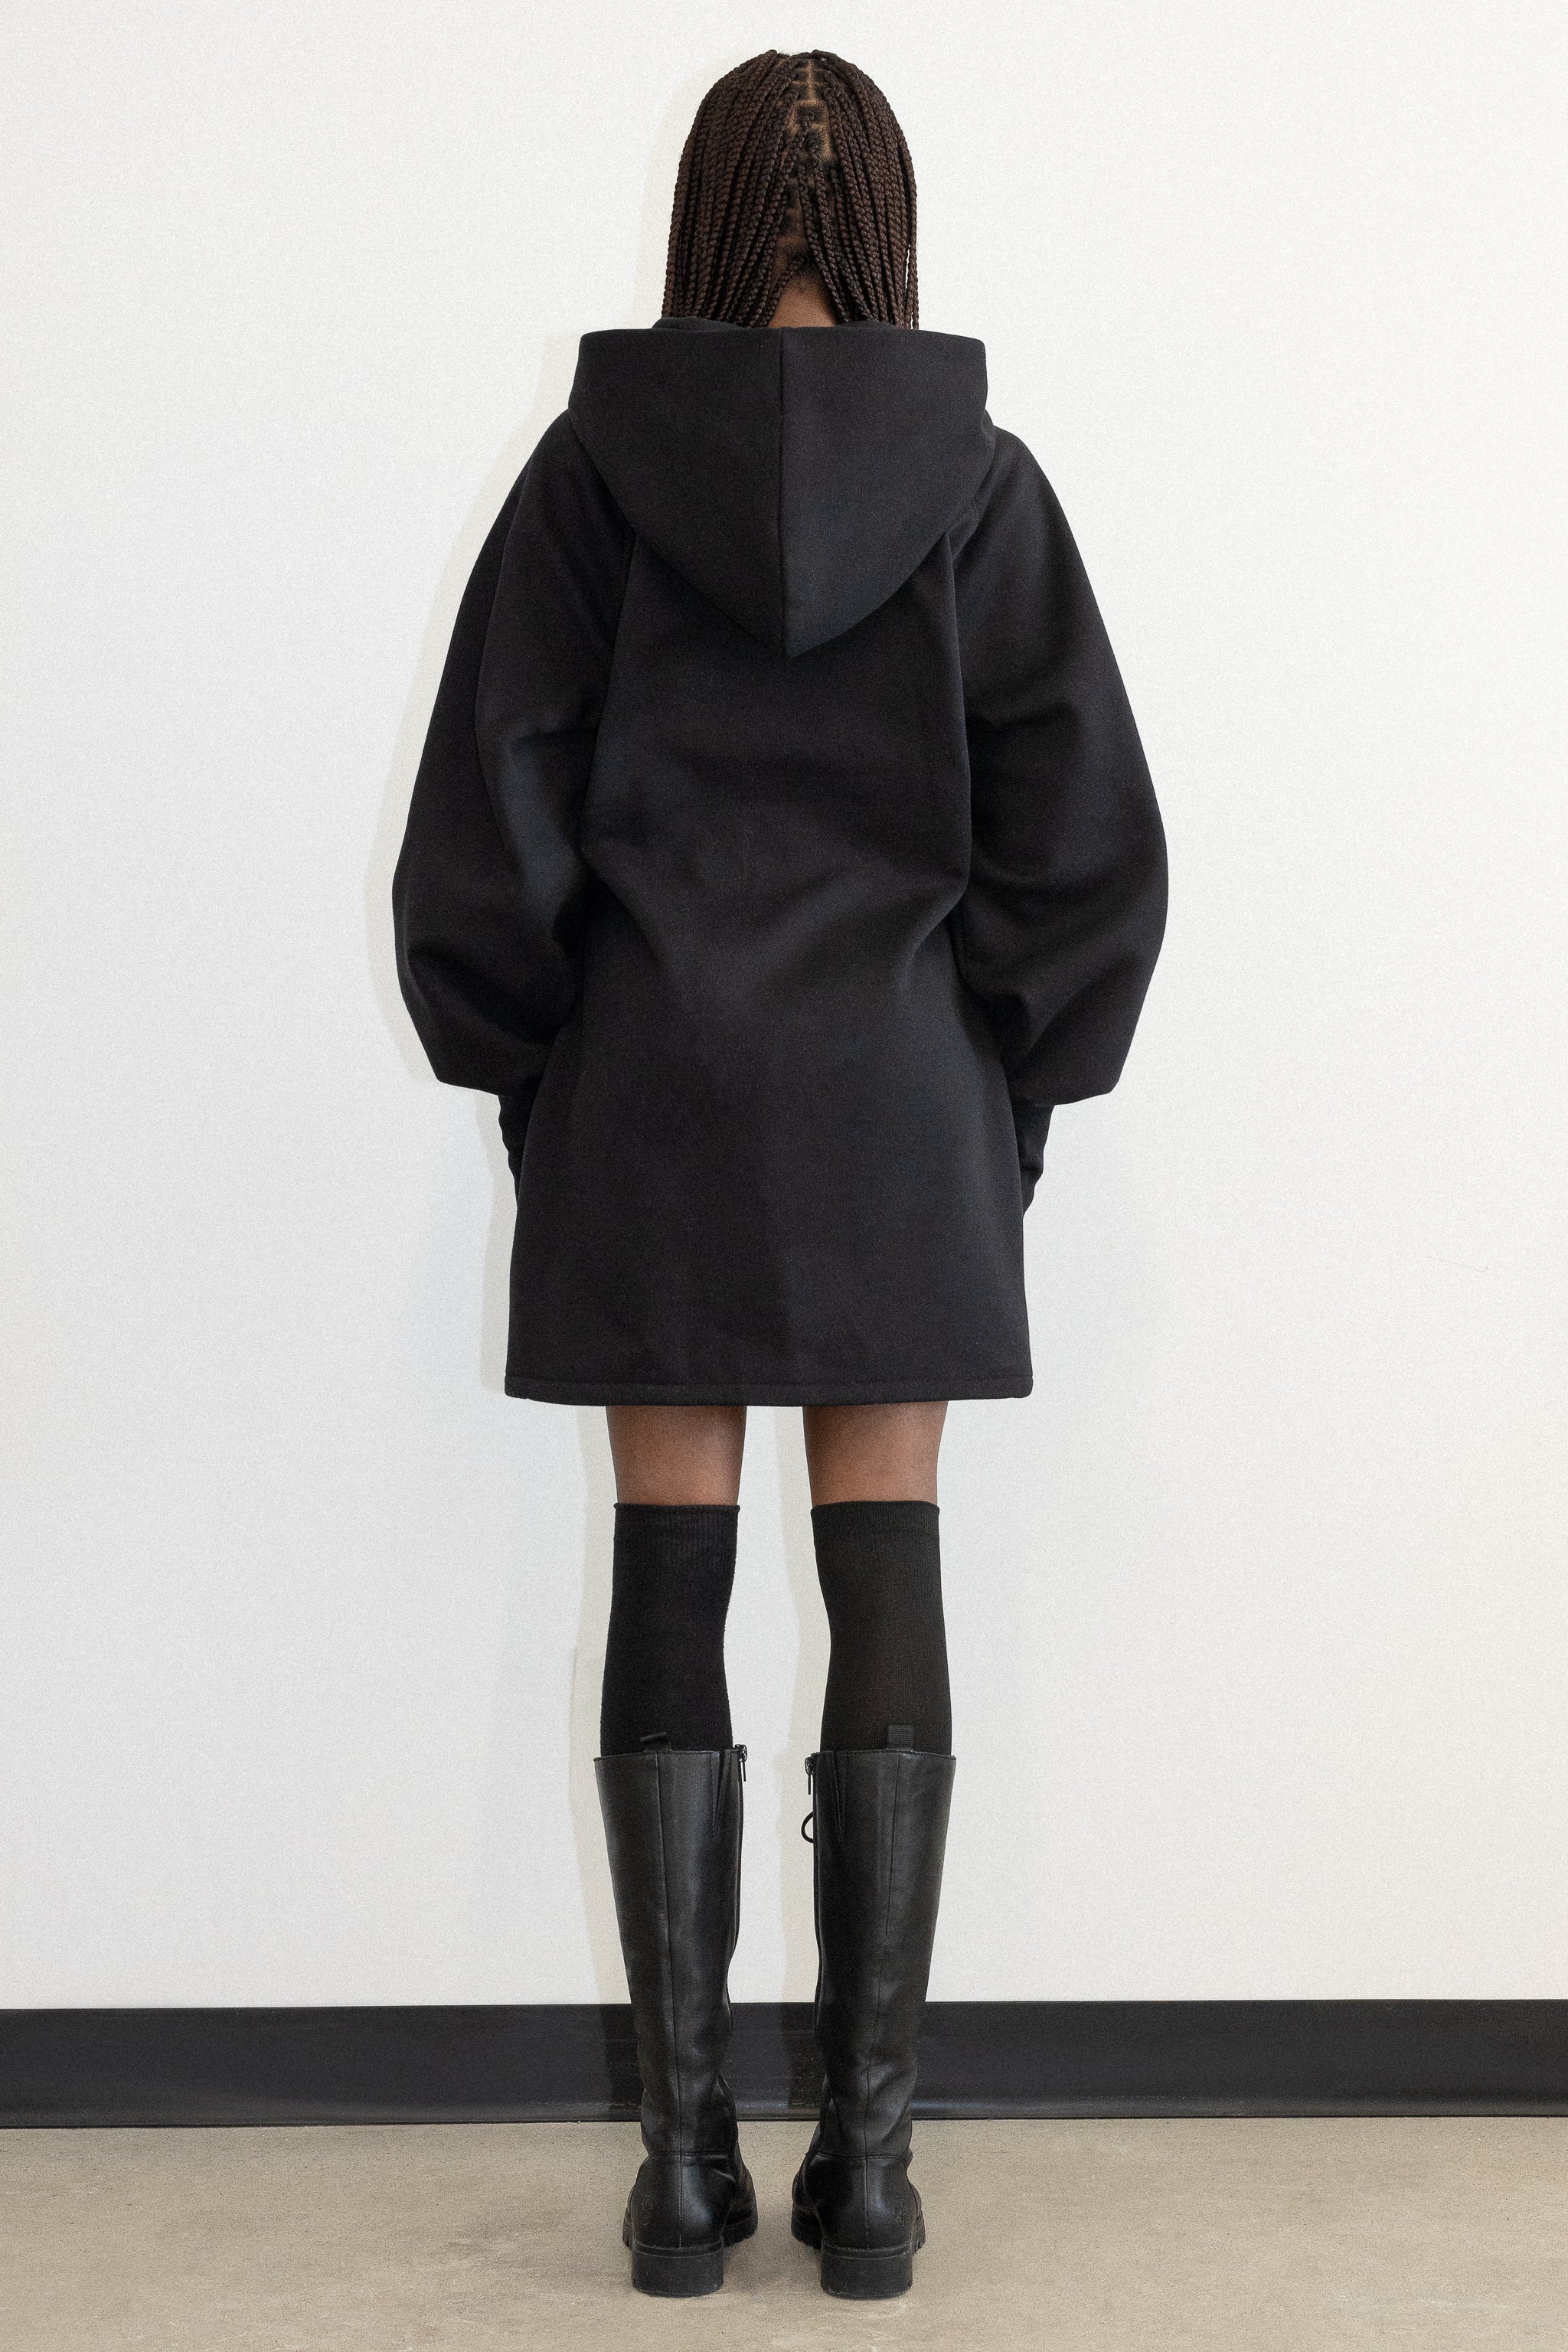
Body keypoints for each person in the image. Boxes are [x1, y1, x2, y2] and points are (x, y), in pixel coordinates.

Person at [392, 48, 1166, 2302]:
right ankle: (878, 2174)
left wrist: (535, 1074)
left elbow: (492, 816)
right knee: (886, 1560)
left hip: (654, 1093)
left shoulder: (591, 478)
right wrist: (1008, 1094)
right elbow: (1084, 844)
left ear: (706, 222)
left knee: (669, 1569)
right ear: (889, 222)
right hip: (898, 1103)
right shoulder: (983, 485)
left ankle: (682, 2172)